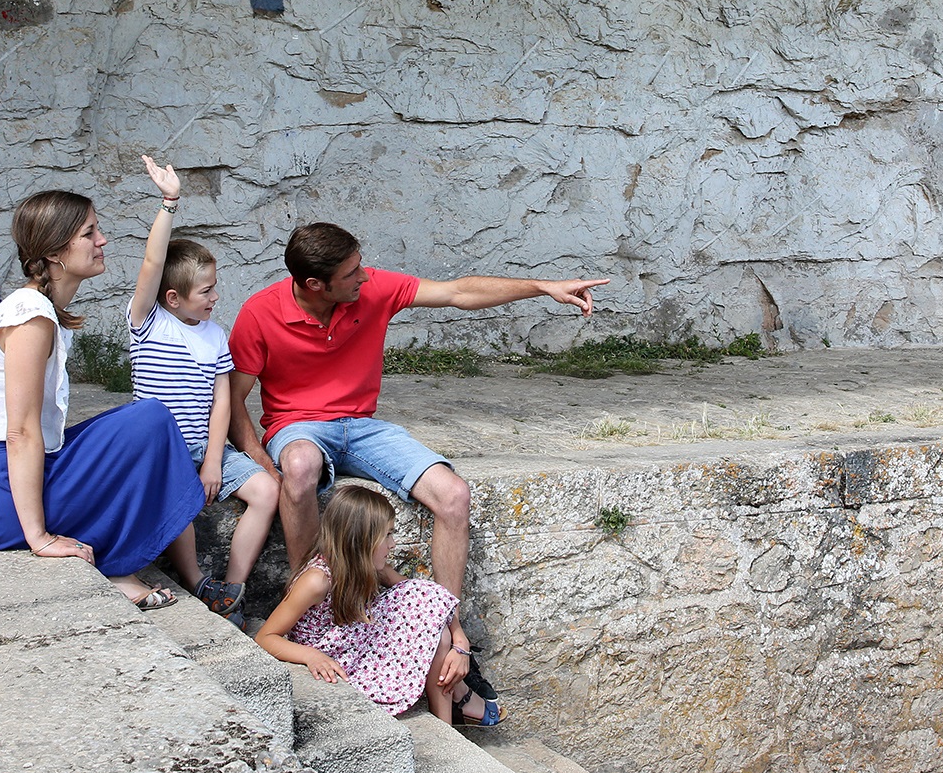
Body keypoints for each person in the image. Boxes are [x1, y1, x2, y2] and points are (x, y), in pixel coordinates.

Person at [228, 220, 608, 600]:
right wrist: (261, 460)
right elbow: (233, 397)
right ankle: (308, 601)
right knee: (298, 466)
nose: (364, 276)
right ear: (316, 285)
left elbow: (458, 292)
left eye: (360, 265)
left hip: (363, 428)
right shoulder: (261, 313)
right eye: (351, 273)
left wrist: (542, 288)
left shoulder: (372, 288)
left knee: (454, 494)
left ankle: (443, 624)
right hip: (298, 427)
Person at [0, 189, 204, 607]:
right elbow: (19, 432)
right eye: (89, 233)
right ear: (58, 251)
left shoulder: (39, 309)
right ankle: (119, 564)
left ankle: (121, 561)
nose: (102, 241)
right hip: (3, 489)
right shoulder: (31, 316)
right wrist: (39, 537)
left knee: (137, 424)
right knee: (149, 421)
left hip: (4, 475)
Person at [124, 154, 279, 627]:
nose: (215, 298)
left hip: (202, 445)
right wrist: (169, 201)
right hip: (161, 450)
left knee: (267, 490)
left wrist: (214, 458)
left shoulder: (215, 334)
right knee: (183, 503)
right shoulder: (147, 322)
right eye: (206, 291)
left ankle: (232, 582)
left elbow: (220, 399)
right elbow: (153, 262)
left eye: (215, 288)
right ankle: (195, 581)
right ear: (173, 299)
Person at [255, 484, 500, 726]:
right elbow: (266, 636)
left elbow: (426, 596)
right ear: (361, 539)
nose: (392, 544)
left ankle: (447, 727)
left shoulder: (364, 563)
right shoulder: (316, 581)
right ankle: (458, 704)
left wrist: (461, 642)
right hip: (338, 654)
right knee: (438, 635)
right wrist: (310, 656)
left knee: (438, 629)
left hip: (356, 637)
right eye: (387, 535)